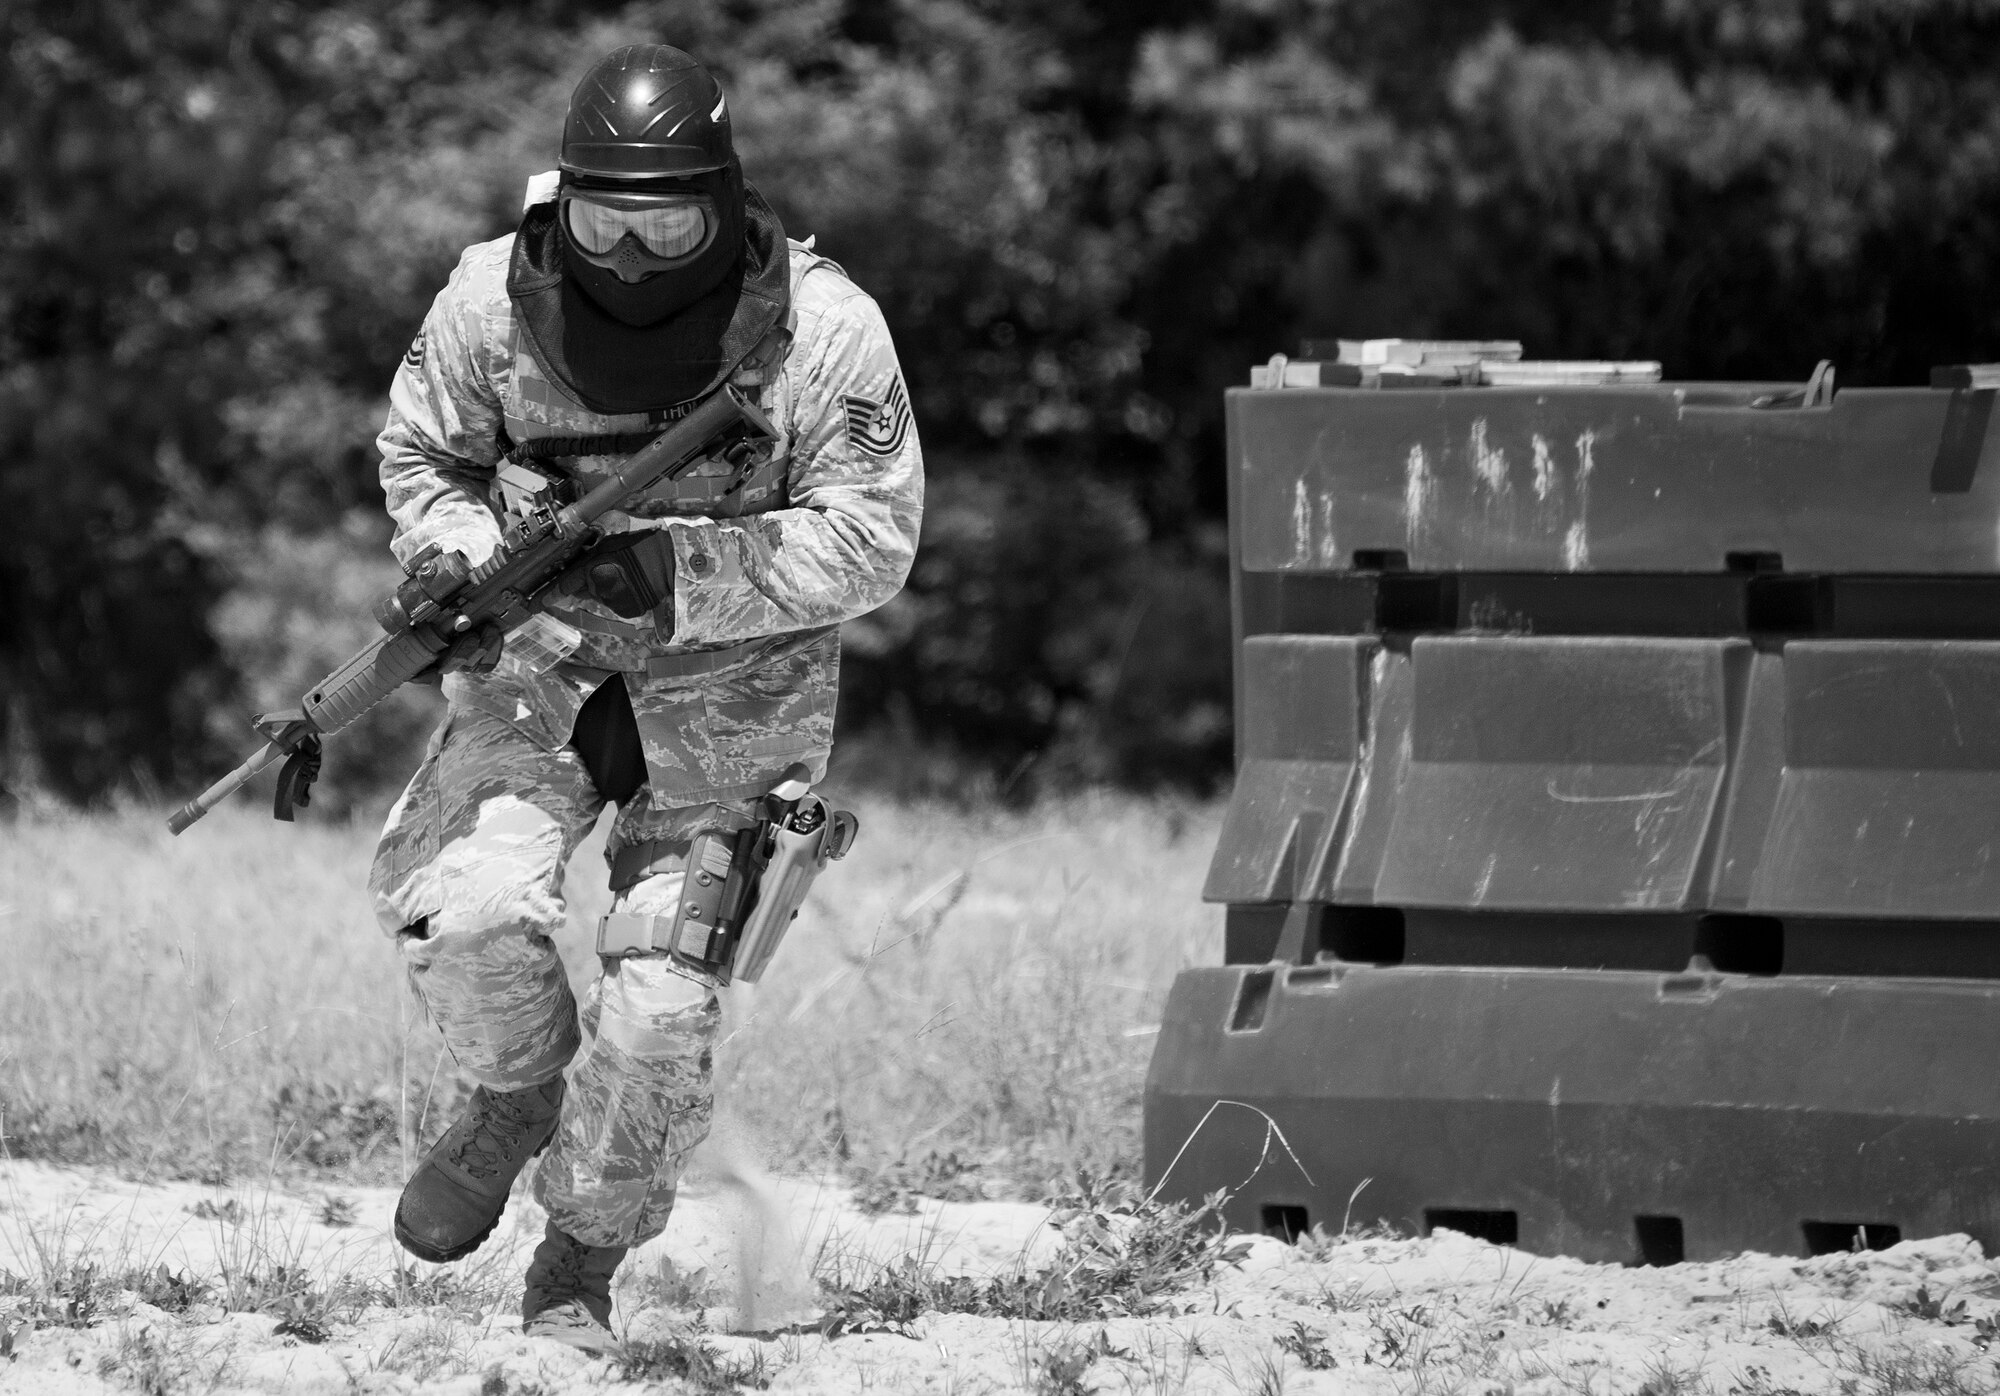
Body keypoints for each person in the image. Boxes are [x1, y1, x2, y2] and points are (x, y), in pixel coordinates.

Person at [366, 42, 922, 1352]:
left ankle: (579, 1255)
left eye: (664, 218)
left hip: (736, 692)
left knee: (661, 1006)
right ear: (564, 205)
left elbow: (878, 538)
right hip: (541, 666)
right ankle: (513, 1094)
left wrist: (681, 573)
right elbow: (420, 452)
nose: (628, 250)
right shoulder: (486, 306)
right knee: (464, 909)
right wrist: (451, 557)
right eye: (604, 216)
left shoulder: (823, 332)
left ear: (719, 207)